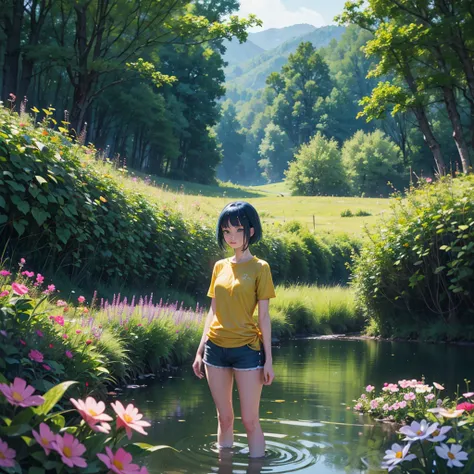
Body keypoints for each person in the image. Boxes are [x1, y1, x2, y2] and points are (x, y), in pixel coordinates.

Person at [192, 201, 276, 459]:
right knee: (225, 418)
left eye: (238, 230)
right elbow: (213, 310)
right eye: (226, 231)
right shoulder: (219, 266)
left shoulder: (260, 268)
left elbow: (264, 316)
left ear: (250, 231)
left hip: (247, 352)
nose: (231, 237)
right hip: (215, 350)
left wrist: (269, 360)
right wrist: (200, 349)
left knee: (250, 421)